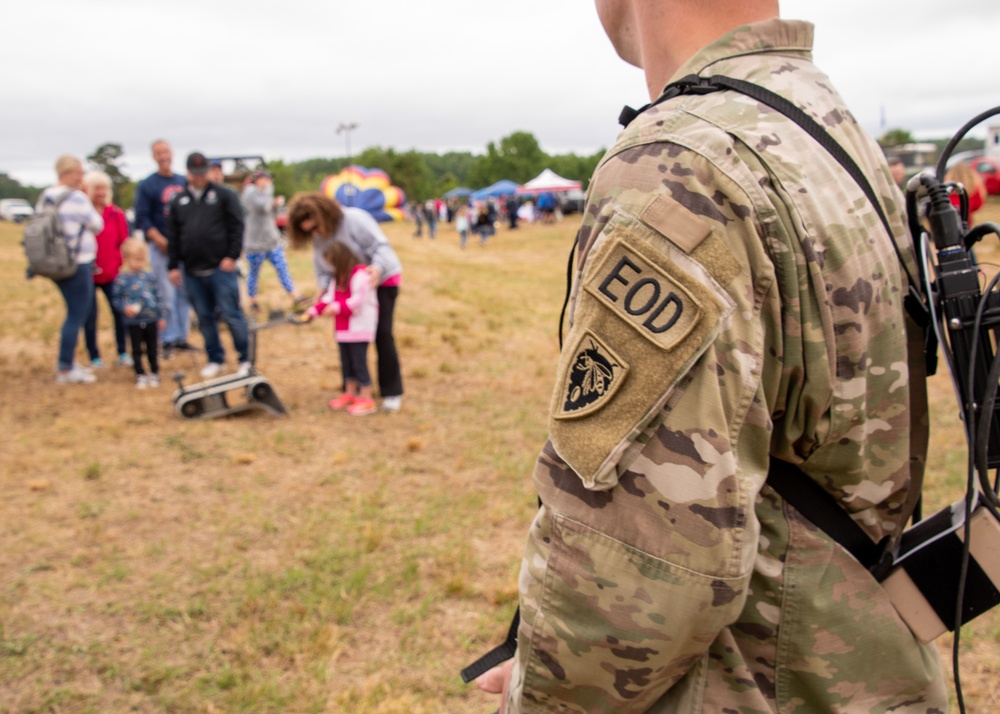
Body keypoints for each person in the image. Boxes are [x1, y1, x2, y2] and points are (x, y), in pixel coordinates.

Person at [475, 2, 947, 712]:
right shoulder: (821, 122)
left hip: (753, 684)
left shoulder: (683, 163)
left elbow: (641, 570)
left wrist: (541, 697)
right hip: (862, 663)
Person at [286, 192, 404, 412]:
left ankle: (392, 392)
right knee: (350, 338)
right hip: (350, 285)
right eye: (309, 231)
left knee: (381, 333)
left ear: (324, 214)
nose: (315, 233)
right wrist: (321, 290)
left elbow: (382, 248)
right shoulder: (320, 237)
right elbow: (323, 268)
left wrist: (377, 268)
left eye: (315, 227)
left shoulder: (354, 219)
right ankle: (354, 389)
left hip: (382, 280)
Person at [166, 152, 250, 379]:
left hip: (221, 269)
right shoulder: (179, 200)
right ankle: (215, 359)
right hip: (192, 270)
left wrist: (232, 256)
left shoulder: (224, 195)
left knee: (232, 314)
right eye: (195, 174)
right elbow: (173, 236)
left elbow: (237, 227)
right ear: (188, 174)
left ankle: (245, 359)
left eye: (203, 173)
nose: (200, 177)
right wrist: (173, 266)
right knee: (204, 318)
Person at [37, 156, 105, 384]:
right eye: (79, 173)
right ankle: (65, 367)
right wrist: (85, 194)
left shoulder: (46, 196)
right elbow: (97, 224)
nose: (82, 177)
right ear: (70, 173)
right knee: (77, 314)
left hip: (53, 263)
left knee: (73, 312)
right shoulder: (77, 198)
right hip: (76, 263)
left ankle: (69, 362)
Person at [134, 139, 196, 356]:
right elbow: (142, 218)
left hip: (184, 247)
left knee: (184, 294)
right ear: (154, 156)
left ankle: (182, 337)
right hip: (161, 248)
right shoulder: (148, 185)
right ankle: (167, 339)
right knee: (166, 295)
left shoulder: (183, 181)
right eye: (158, 153)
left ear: (172, 153)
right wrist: (159, 240)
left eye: (166, 152)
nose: (163, 156)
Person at [306, 240, 379, 416]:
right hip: (342, 329)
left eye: (333, 262)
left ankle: (367, 399)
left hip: (359, 328)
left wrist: (336, 308)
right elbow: (329, 297)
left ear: (342, 258)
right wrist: (313, 311)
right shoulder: (338, 277)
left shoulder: (361, 275)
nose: (331, 266)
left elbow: (357, 301)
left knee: (359, 362)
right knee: (346, 363)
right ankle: (350, 394)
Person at [81, 170, 131, 368]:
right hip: (89, 274)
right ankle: (94, 356)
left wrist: (122, 263)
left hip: (112, 273)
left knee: (120, 313)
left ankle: (123, 352)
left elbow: (123, 241)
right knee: (90, 316)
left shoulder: (116, 214)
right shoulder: (84, 214)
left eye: (104, 188)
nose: (101, 192)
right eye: (97, 188)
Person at [241, 169, 307, 312]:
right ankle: (253, 301)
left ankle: (295, 296)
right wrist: (270, 192)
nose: (269, 182)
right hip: (255, 244)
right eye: (266, 179)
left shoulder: (264, 194)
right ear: (257, 179)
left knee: (283, 268)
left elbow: (272, 216)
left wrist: (276, 205)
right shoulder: (250, 192)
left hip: (271, 241)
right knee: (253, 273)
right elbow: (263, 207)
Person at [112, 239, 166, 388]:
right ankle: (140, 374)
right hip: (134, 322)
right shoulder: (122, 279)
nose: (140, 263)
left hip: (151, 319)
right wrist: (125, 308)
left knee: (153, 347)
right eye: (136, 260)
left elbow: (158, 296)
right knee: (136, 348)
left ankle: (154, 372)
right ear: (126, 259)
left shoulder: (149, 277)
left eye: (142, 260)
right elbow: (116, 299)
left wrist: (161, 316)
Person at [945, 161, 987, 226]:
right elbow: (978, 205)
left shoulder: (946, 192)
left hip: (947, 226)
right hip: (966, 225)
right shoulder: (972, 191)